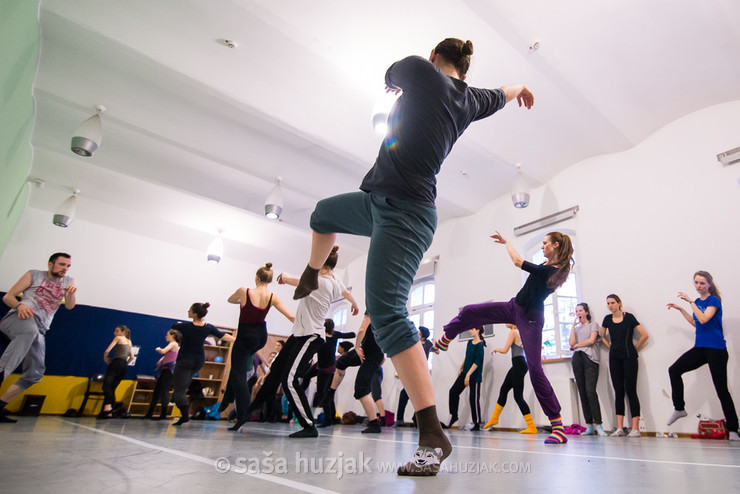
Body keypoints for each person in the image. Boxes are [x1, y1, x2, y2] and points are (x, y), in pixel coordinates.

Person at [290, 37, 534, 475]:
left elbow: (391, 74)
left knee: (386, 313)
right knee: (323, 213)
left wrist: (393, 86)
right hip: (377, 201)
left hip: (406, 212)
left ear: (435, 58)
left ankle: (431, 434)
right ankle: (311, 272)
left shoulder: (422, 73)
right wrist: (523, 88)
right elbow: (504, 92)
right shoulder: (472, 99)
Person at [434, 231, 574, 445]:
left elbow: (518, 261)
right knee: (471, 311)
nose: (543, 246)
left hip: (531, 319)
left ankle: (558, 427)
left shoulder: (550, 270)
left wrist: (508, 242)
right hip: (513, 307)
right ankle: (446, 337)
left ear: (556, 245)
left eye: (545, 243)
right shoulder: (548, 264)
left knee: (535, 369)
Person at [241, 246, 359, 437]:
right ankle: (249, 412)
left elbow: (299, 282)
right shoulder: (335, 279)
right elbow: (345, 292)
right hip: (299, 335)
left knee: (289, 379)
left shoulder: (321, 282)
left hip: (311, 335)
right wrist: (354, 303)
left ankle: (308, 426)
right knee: (275, 374)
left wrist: (285, 278)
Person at [0, 253, 77, 423]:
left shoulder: (68, 280)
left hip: (40, 329)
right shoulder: (34, 274)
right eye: (62, 264)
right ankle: (1, 373)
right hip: (20, 317)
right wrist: (20, 305)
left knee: (35, 373)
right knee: (29, 332)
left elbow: (70, 306)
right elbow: (8, 297)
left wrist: (70, 293)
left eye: (68, 266)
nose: (65, 268)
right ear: (50, 264)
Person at [666, 271, 739, 441]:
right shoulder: (697, 303)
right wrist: (682, 309)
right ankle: (679, 408)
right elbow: (695, 322)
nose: (698, 286)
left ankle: (734, 429)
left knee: (721, 390)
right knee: (674, 370)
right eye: (696, 283)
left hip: (717, 350)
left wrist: (690, 302)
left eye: (702, 283)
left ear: (709, 285)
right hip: (701, 348)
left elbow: (705, 319)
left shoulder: (714, 300)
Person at [225, 262, 294, 430]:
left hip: (245, 336)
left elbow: (230, 299)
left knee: (238, 375)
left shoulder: (244, 292)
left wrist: (242, 301)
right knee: (236, 373)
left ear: (256, 277)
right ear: (269, 280)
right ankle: (227, 399)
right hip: (260, 337)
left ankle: (243, 413)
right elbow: (290, 316)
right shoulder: (273, 297)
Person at [170, 302, 234, 426]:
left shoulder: (186, 326)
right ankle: (180, 400)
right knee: (183, 384)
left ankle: (184, 415)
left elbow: (174, 325)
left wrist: (178, 324)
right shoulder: (208, 327)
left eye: (189, 310)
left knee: (179, 390)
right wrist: (238, 340)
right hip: (199, 361)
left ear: (194, 314)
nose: (188, 312)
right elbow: (223, 335)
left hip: (185, 360)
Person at [319, 314, 385, 431]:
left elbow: (361, 330)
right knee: (341, 362)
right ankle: (331, 392)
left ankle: (374, 423)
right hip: (368, 351)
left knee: (361, 390)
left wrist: (357, 346)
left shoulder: (372, 307)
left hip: (369, 354)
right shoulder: (384, 311)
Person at [600, 294, 649, 437]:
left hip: (629, 357)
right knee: (618, 391)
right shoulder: (607, 319)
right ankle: (619, 427)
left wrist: (635, 348)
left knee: (631, 390)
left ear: (619, 303)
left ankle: (635, 428)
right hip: (614, 357)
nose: (610, 305)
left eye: (613, 303)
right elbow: (602, 336)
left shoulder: (629, 317)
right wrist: (610, 347)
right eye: (608, 303)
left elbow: (644, 335)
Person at [483, 324, 537, 434]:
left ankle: (531, 426)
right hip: (519, 364)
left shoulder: (513, 332)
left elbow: (505, 350)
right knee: (504, 389)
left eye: (506, 320)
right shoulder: (520, 331)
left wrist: (496, 349)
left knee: (518, 397)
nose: (505, 323)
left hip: (518, 364)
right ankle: (494, 418)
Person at [569, 303, 606, 436]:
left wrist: (578, 345)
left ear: (586, 312)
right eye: (576, 311)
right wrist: (573, 327)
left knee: (590, 391)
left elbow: (591, 341)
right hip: (577, 359)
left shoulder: (593, 325)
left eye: (580, 310)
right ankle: (589, 425)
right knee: (582, 392)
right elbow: (571, 343)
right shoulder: (577, 329)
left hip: (590, 359)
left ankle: (599, 425)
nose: (578, 313)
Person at [301, 319, 355, 409]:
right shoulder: (323, 336)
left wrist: (359, 333)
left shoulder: (331, 335)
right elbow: (349, 335)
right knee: (307, 376)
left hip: (327, 367)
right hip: (321, 364)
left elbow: (349, 335)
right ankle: (301, 391)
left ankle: (327, 414)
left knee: (322, 392)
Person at [444, 327, 485, 431]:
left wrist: (468, 375)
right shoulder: (469, 342)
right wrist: (461, 368)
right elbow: (467, 357)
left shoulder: (480, 345)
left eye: (472, 329)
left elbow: (477, 362)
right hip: (465, 372)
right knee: (453, 392)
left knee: (473, 400)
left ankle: (477, 423)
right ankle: (454, 415)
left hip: (474, 376)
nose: (470, 331)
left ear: (477, 330)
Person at [395, 326, 436, 427]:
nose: (417, 332)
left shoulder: (423, 344)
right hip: (415, 371)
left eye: (419, 332)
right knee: (414, 395)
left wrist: (434, 342)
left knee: (413, 395)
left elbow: (437, 350)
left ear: (422, 336)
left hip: (420, 372)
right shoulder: (423, 344)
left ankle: (402, 419)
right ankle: (410, 419)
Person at [99, 325, 134, 418]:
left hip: (116, 364)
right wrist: (125, 363)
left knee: (106, 387)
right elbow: (132, 357)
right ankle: (108, 410)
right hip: (123, 366)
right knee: (111, 388)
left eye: (117, 331)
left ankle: (111, 406)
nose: (115, 333)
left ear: (123, 332)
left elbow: (107, 350)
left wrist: (105, 358)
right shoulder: (129, 341)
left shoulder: (118, 338)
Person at [145, 329, 181, 420]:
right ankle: (150, 413)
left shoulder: (173, 343)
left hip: (169, 370)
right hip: (164, 369)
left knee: (164, 391)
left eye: (167, 335)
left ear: (172, 336)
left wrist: (158, 349)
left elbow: (163, 351)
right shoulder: (173, 344)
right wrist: (162, 359)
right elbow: (168, 355)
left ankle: (163, 414)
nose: (166, 336)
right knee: (157, 391)